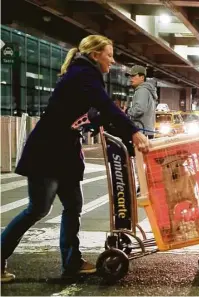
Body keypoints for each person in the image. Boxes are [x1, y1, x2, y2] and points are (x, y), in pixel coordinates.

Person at [1, 35, 150, 283]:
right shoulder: (83, 74)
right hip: (47, 151)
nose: (112, 61)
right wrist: (133, 132)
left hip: (64, 152)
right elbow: (105, 105)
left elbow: (97, 112)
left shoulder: (84, 74)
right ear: (95, 55)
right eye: (109, 55)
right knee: (37, 209)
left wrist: (111, 127)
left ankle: (72, 263)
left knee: (73, 207)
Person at [126, 65, 157, 139]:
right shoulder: (148, 91)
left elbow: (139, 109)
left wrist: (127, 111)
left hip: (141, 131)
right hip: (147, 131)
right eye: (130, 76)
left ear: (142, 77)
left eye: (133, 76)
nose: (131, 79)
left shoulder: (142, 90)